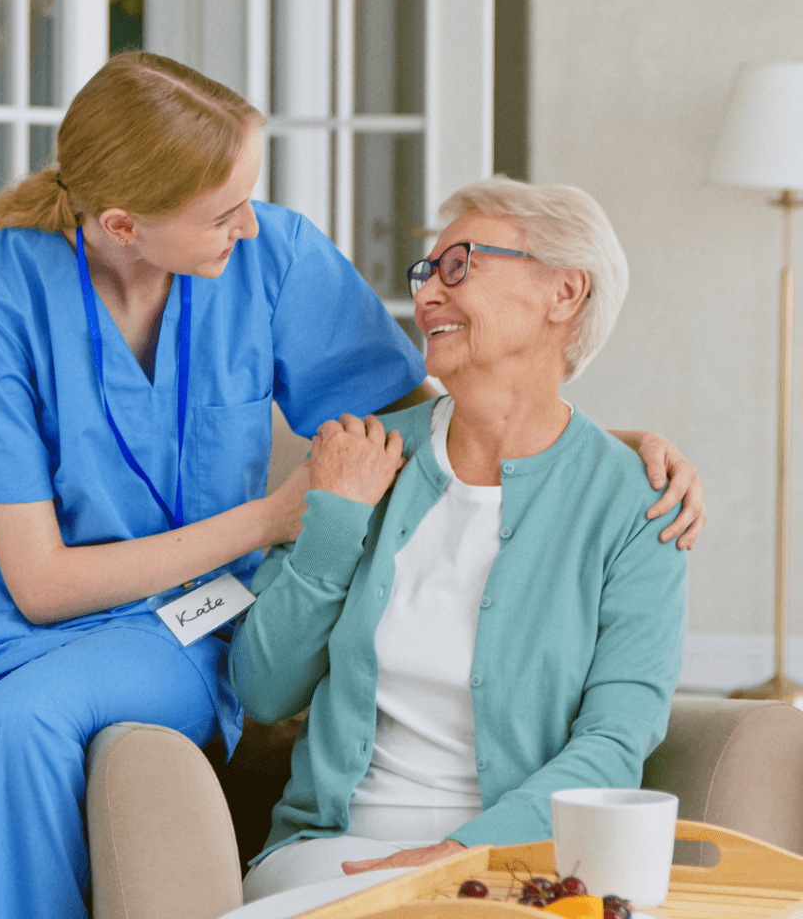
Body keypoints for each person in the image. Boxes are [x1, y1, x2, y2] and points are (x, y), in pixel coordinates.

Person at [0, 51, 699, 919]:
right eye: (222, 211)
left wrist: (597, 451)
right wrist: (275, 519)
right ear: (126, 225)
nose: (251, 223)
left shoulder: (271, 256)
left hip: (174, 620)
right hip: (7, 615)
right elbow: (42, 583)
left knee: (24, 728)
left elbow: (430, 410)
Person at [232, 177, 689, 903]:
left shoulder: (639, 505)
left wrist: (456, 855)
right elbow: (263, 688)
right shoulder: (362, 458)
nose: (426, 296)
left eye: (459, 266)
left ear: (564, 294)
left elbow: (615, 739)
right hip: (335, 854)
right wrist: (335, 525)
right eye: (425, 273)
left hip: (525, 861)